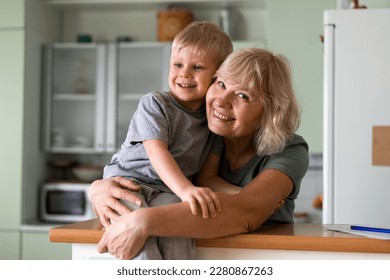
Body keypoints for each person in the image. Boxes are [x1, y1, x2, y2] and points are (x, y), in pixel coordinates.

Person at [89, 48, 309, 260]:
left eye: (242, 96)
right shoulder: (202, 134)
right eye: (220, 84)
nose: (221, 102)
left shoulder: (290, 150)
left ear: (271, 112)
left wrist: (142, 220)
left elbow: (246, 212)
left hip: (259, 258)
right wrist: (98, 188)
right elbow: (141, 168)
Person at [102, 21, 233, 259]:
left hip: (168, 193)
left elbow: (208, 177)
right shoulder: (155, 104)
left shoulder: (213, 122)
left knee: (179, 230)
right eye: (178, 64)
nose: (184, 73)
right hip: (129, 185)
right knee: (139, 240)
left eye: (197, 67)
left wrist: (242, 194)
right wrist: (186, 190)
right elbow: (156, 152)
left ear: (217, 76)